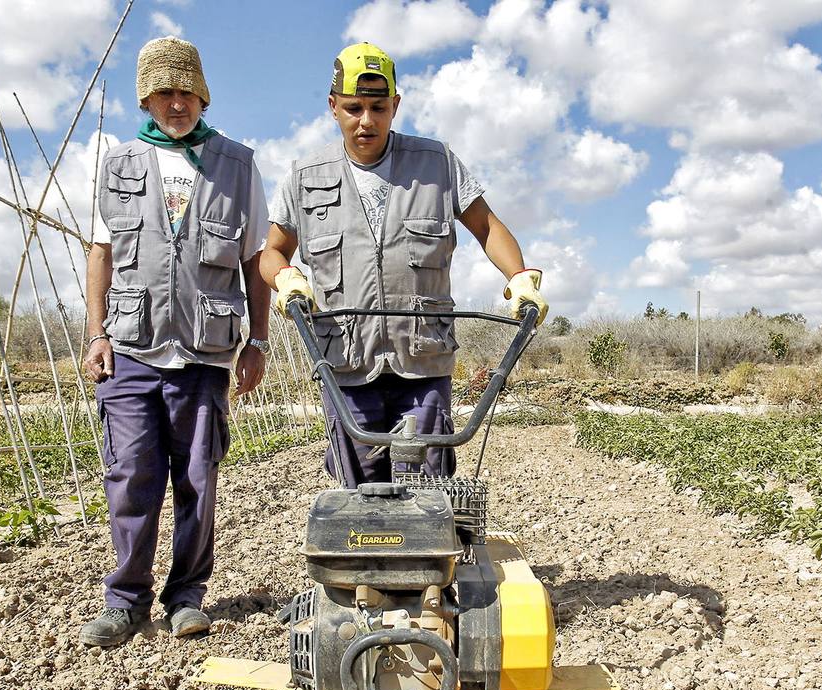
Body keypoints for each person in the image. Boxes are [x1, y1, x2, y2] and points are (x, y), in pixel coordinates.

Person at [260, 41, 547, 487]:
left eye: (378, 107)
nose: (366, 121)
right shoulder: (305, 177)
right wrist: (285, 278)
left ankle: (431, 557)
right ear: (333, 107)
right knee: (360, 493)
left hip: (424, 360)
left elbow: (487, 228)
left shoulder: (435, 163)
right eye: (354, 108)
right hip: (346, 363)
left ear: (395, 105)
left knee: (429, 490)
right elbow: (272, 251)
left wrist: (520, 277)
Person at [79, 36, 271, 646]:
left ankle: (186, 596)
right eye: (164, 92)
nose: (176, 103)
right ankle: (126, 600)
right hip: (133, 347)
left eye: (186, 91)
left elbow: (255, 260)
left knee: (197, 478)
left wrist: (258, 340)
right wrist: (95, 335)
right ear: (146, 97)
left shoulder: (236, 166)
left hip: (204, 354)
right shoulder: (119, 164)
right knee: (131, 474)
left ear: (202, 94)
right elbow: (102, 252)